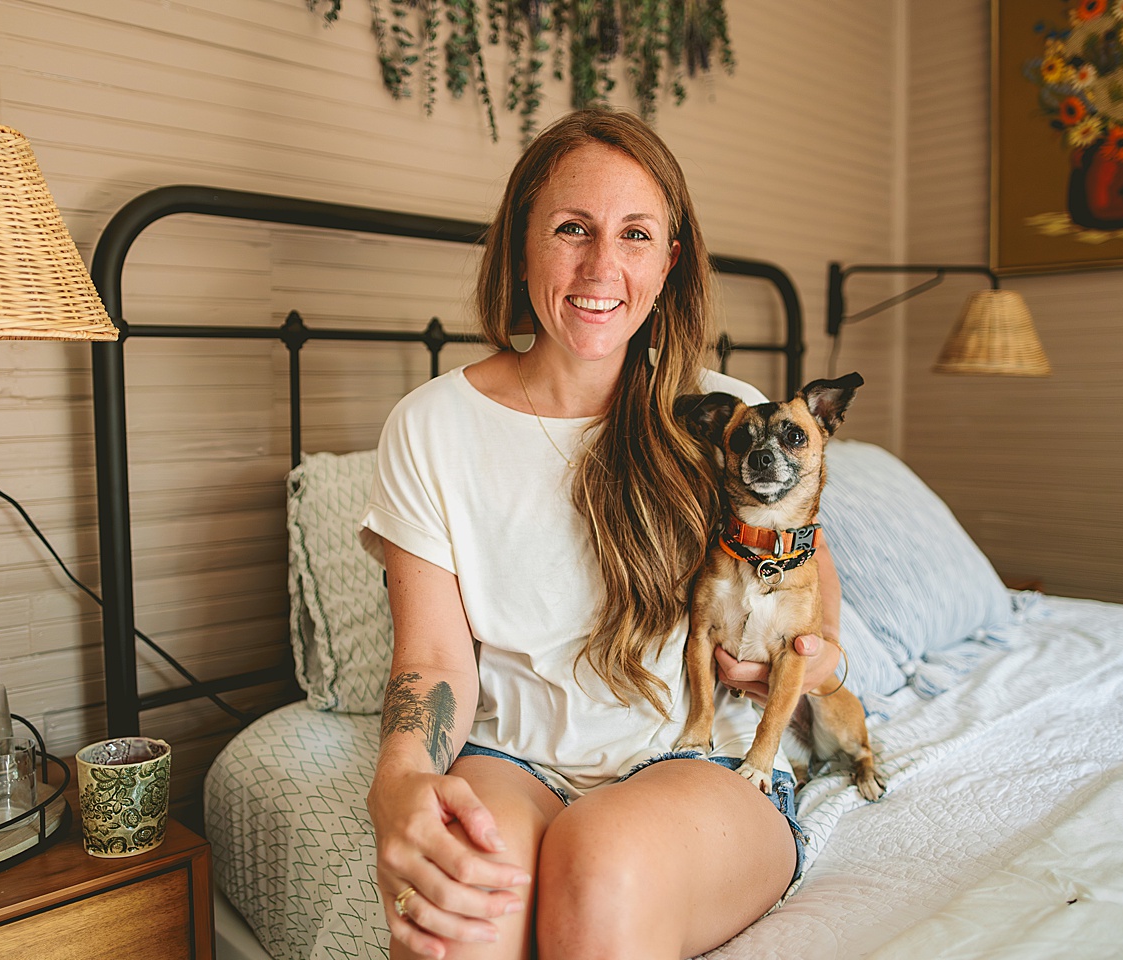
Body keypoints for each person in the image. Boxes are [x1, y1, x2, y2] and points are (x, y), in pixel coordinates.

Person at [359, 108, 844, 960]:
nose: (601, 266)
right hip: (510, 760)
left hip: (699, 763)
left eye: (636, 234)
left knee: (599, 864)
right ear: (521, 244)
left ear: (669, 261)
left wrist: (814, 656)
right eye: (573, 228)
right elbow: (434, 662)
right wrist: (397, 783)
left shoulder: (724, 418)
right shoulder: (431, 426)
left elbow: (809, 580)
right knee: (457, 920)